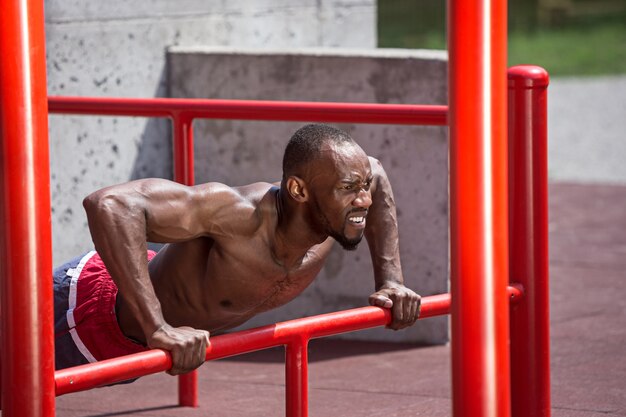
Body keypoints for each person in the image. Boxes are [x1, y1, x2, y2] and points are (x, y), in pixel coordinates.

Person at [53, 123, 421, 377]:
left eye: (363, 186)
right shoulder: (236, 215)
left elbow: (375, 170)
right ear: (298, 190)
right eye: (348, 188)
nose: (364, 199)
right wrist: (158, 327)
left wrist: (391, 280)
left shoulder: (333, 217)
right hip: (84, 315)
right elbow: (108, 204)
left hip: (139, 337)